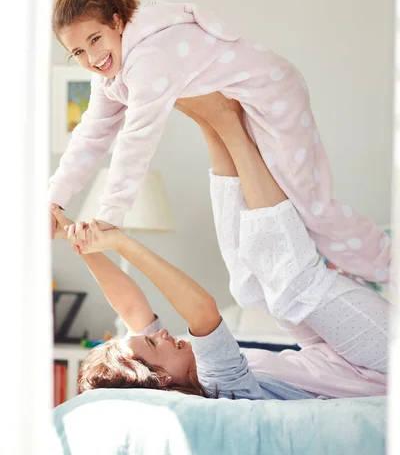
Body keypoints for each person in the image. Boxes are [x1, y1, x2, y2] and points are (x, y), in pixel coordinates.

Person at [49, 0, 390, 283]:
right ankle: (346, 272)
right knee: (271, 203)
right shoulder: (111, 72)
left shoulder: (149, 59)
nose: (92, 58)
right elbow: (90, 136)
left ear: (117, 23)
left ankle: (387, 263)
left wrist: (110, 216)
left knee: (310, 204)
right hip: (241, 101)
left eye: (95, 39)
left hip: (274, 93)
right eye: (78, 52)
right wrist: (53, 200)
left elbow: (136, 142)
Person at [54, 94, 388, 401]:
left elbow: (131, 309)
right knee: (294, 286)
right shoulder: (216, 383)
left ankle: (211, 124)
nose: (163, 333)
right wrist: (121, 242)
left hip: (333, 357)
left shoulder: (179, 366)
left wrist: (75, 236)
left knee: (248, 288)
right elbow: (202, 310)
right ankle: (229, 124)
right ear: (164, 381)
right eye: (155, 342)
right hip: (381, 369)